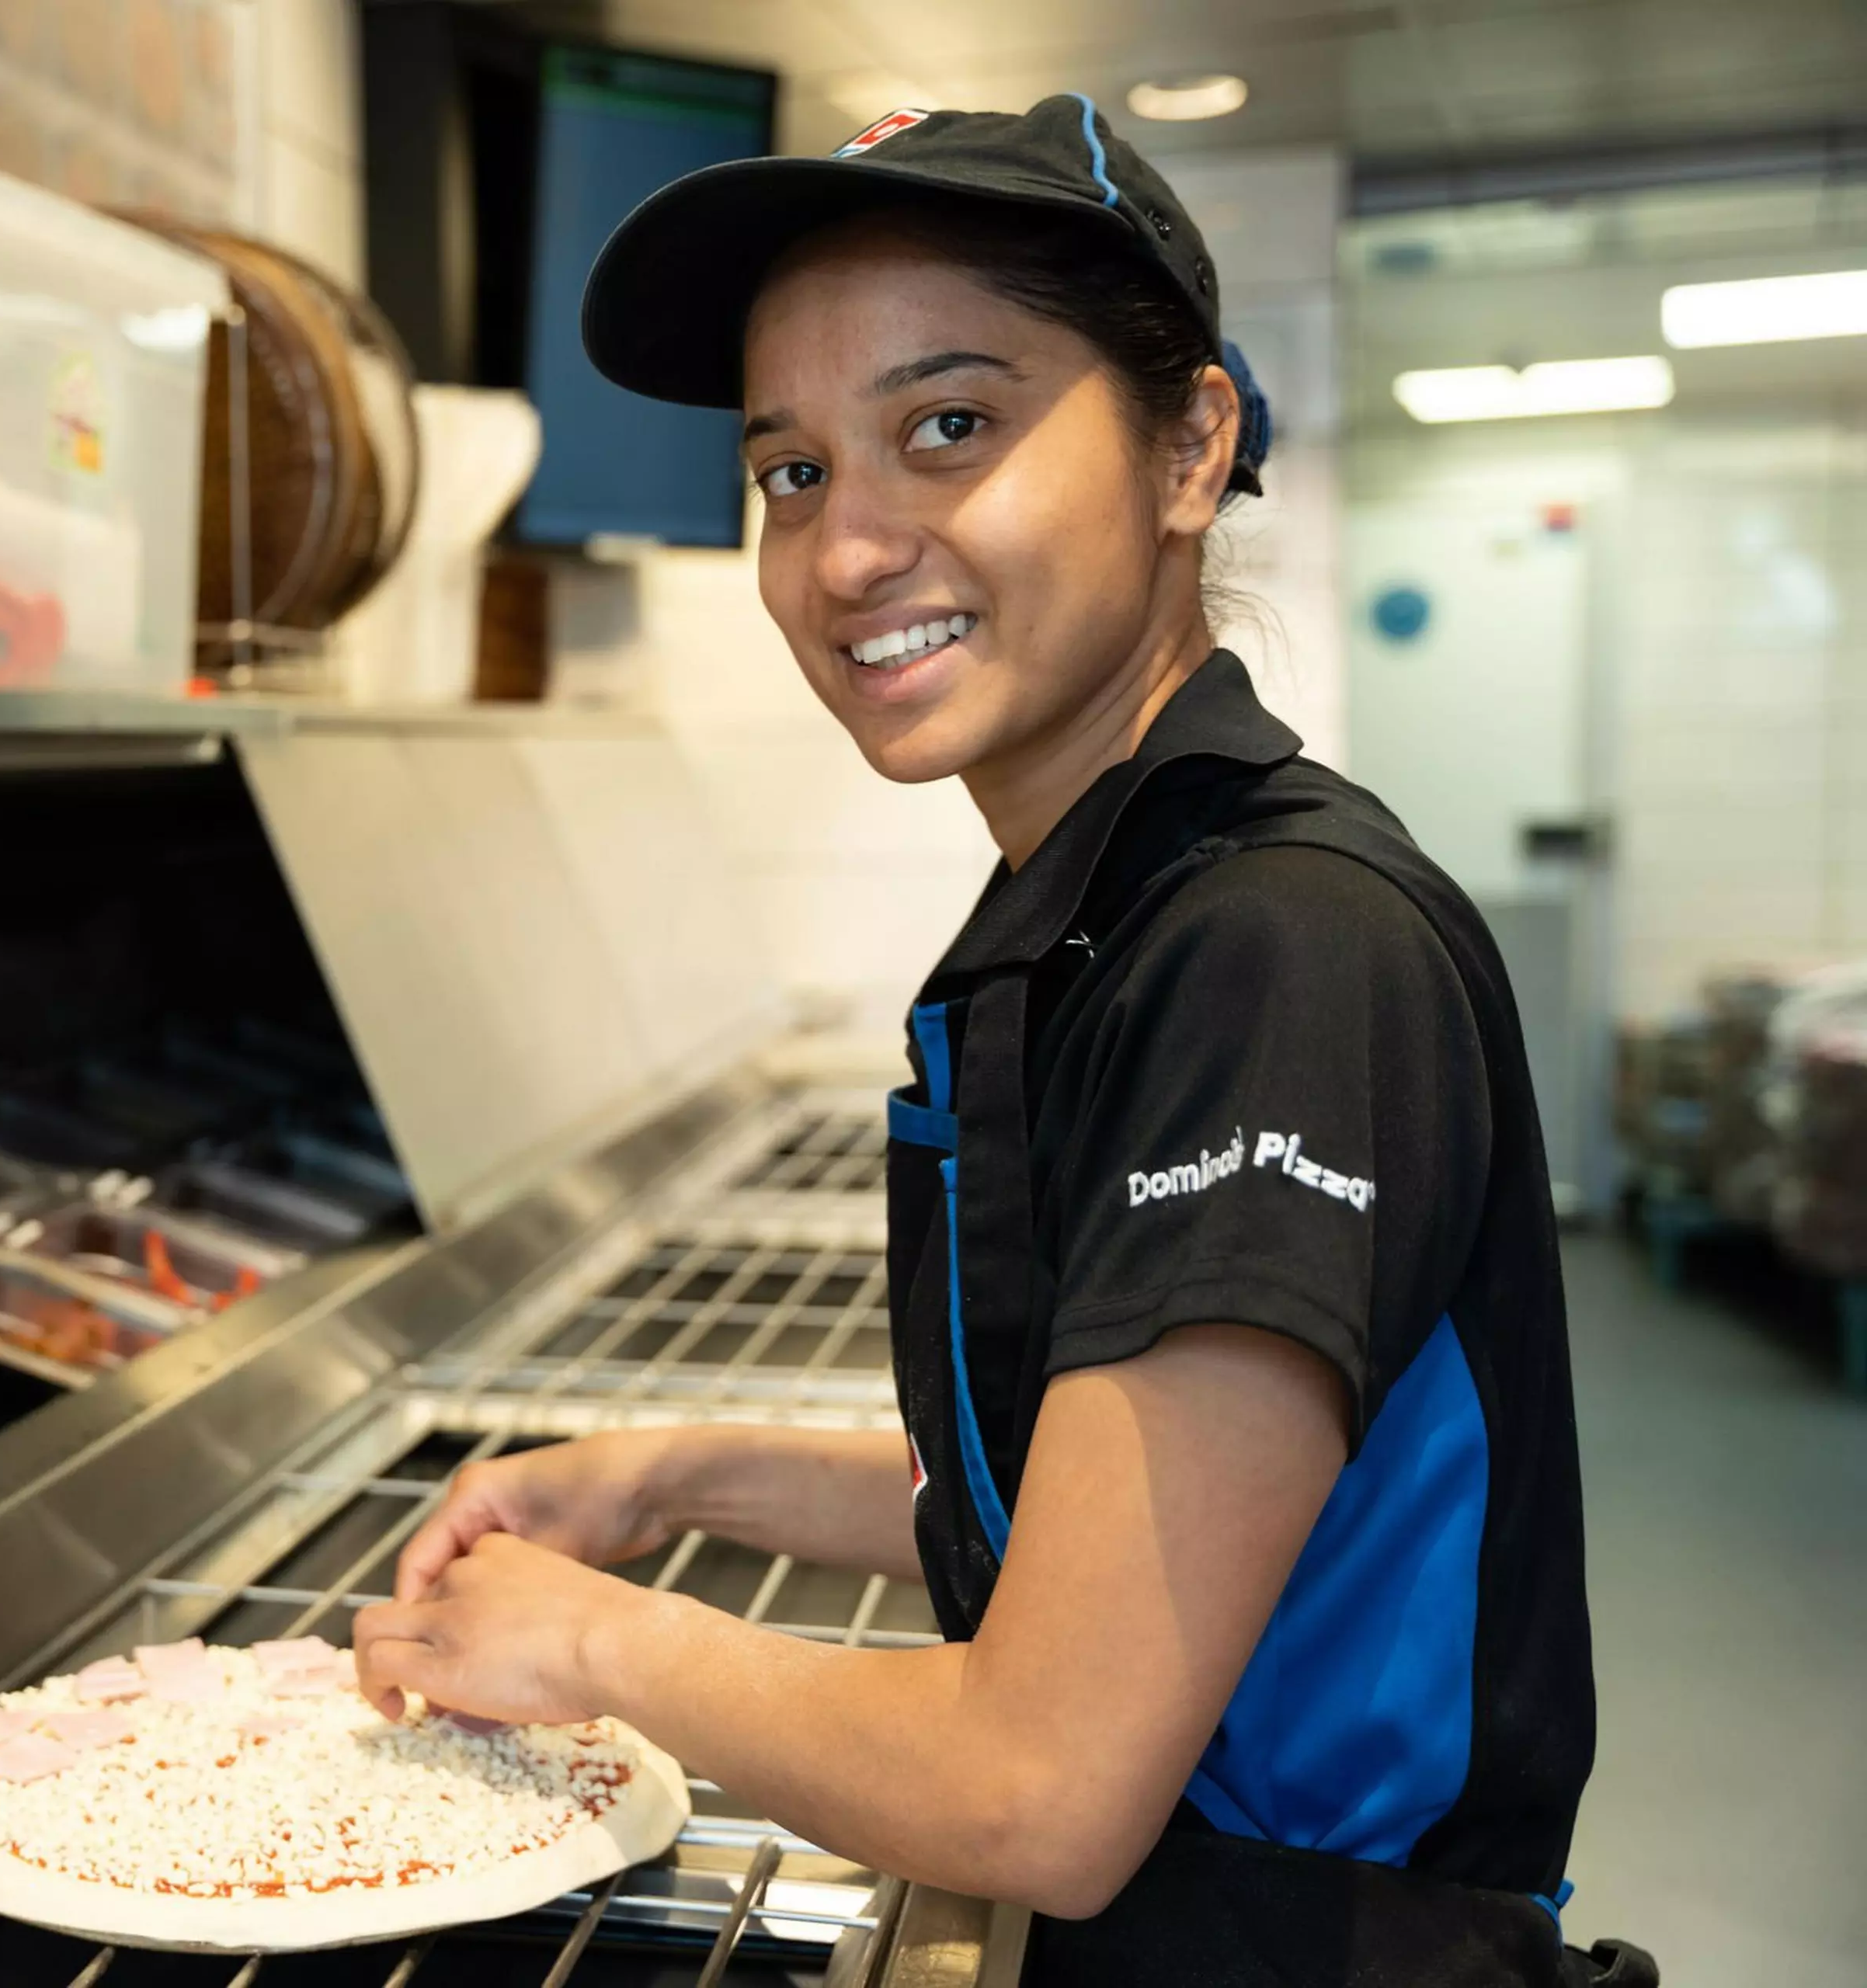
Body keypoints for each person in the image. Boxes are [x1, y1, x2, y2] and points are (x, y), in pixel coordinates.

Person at [349, 97, 1654, 1988]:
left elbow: (1040, 1779)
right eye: (789, 470)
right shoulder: (1121, 910)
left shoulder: (1280, 954)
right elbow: (1103, 1530)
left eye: (947, 425)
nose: (850, 545)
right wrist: (676, 1475)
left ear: (1192, 444)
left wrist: (589, 1640)